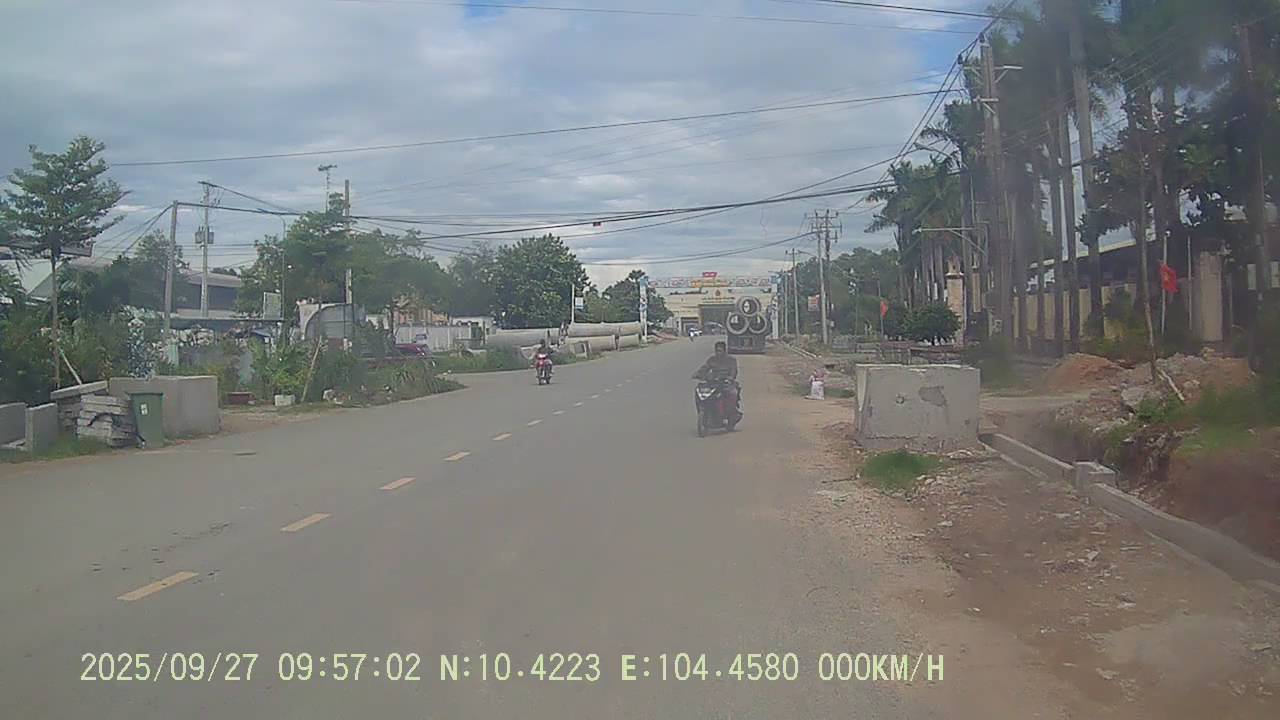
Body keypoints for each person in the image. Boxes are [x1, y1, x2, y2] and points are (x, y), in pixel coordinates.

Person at [692, 340, 741, 416]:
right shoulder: (712, 359)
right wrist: (697, 374)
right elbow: (705, 368)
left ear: (724, 351)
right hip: (713, 382)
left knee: (732, 393)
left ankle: (731, 413)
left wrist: (730, 378)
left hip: (726, 383)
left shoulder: (731, 360)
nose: (718, 353)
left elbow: (734, 371)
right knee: (699, 391)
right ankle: (704, 409)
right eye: (717, 351)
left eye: (720, 351)